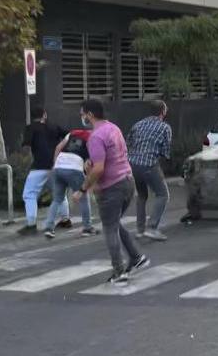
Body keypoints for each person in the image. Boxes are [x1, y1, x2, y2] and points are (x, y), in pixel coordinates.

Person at [73, 99, 149, 285]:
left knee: (109, 229)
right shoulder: (114, 129)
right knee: (114, 223)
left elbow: (99, 169)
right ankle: (136, 257)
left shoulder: (96, 136)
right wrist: (91, 163)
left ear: (90, 114)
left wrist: (82, 189)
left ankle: (119, 271)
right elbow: (112, 157)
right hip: (127, 182)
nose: (82, 117)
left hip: (111, 188)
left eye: (83, 114)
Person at [20, 106, 70, 236]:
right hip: (55, 166)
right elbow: (69, 135)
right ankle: (65, 219)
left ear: (33, 117)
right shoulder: (54, 126)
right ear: (45, 115)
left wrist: (24, 157)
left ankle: (31, 224)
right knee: (59, 191)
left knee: (29, 193)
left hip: (39, 166)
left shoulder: (30, 128)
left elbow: (26, 147)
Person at [127, 99, 173, 241]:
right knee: (163, 195)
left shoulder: (138, 124)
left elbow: (128, 143)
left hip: (132, 164)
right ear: (163, 112)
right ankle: (152, 228)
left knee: (142, 196)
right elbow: (165, 152)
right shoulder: (165, 128)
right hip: (149, 164)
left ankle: (140, 230)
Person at [42, 128, 97, 240]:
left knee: (57, 199)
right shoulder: (94, 138)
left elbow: (58, 148)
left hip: (59, 166)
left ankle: (49, 228)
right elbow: (89, 163)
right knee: (83, 197)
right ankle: (87, 228)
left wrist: (54, 165)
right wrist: (90, 181)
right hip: (75, 168)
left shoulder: (73, 133)